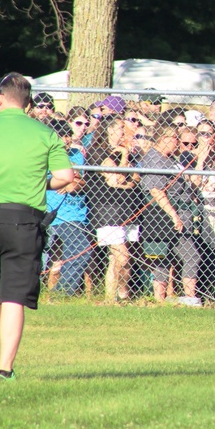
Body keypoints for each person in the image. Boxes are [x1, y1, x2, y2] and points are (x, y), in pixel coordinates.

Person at [0, 73, 74, 381]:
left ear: (0, 98)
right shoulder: (45, 132)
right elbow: (66, 176)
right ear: (28, 104)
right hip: (23, 221)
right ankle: (5, 369)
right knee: (13, 297)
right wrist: (43, 184)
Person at [137, 126, 204, 305]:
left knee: (166, 258)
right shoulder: (155, 159)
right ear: (164, 139)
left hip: (180, 213)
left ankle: (163, 300)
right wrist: (174, 216)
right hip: (164, 215)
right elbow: (156, 190)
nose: (177, 142)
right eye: (175, 138)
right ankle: (187, 299)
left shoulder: (170, 159)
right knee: (189, 256)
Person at [85, 115, 140, 303]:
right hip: (106, 210)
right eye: (121, 129)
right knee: (121, 256)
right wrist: (124, 157)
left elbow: (133, 180)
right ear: (110, 130)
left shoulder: (128, 151)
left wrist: (125, 175)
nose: (125, 133)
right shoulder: (98, 152)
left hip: (125, 209)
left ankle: (115, 298)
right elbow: (116, 180)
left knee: (121, 260)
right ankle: (117, 296)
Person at [42, 120, 93, 297]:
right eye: (61, 136)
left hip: (78, 213)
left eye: (67, 135)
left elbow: (82, 182)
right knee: (78, 248)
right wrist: (69, 180)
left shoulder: (77, 155)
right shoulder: (45, 156)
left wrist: (75, 183)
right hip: (57, 214)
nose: (65, 140)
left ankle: (62, 291)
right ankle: (60, 291)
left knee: (79, 250)